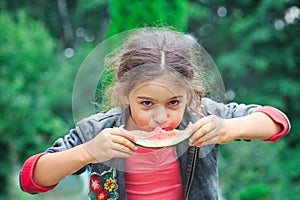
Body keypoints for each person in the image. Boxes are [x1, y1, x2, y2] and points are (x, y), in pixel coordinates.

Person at [19, 27, 290, 200]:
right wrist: (88, 152)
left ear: (190, 94)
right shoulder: (98, 131)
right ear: (125, 95)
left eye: (174, 103)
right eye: (147, 104)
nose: (161, 118)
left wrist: (231, 129)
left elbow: (277, 122)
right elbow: (31, 179)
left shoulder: (201, 115)